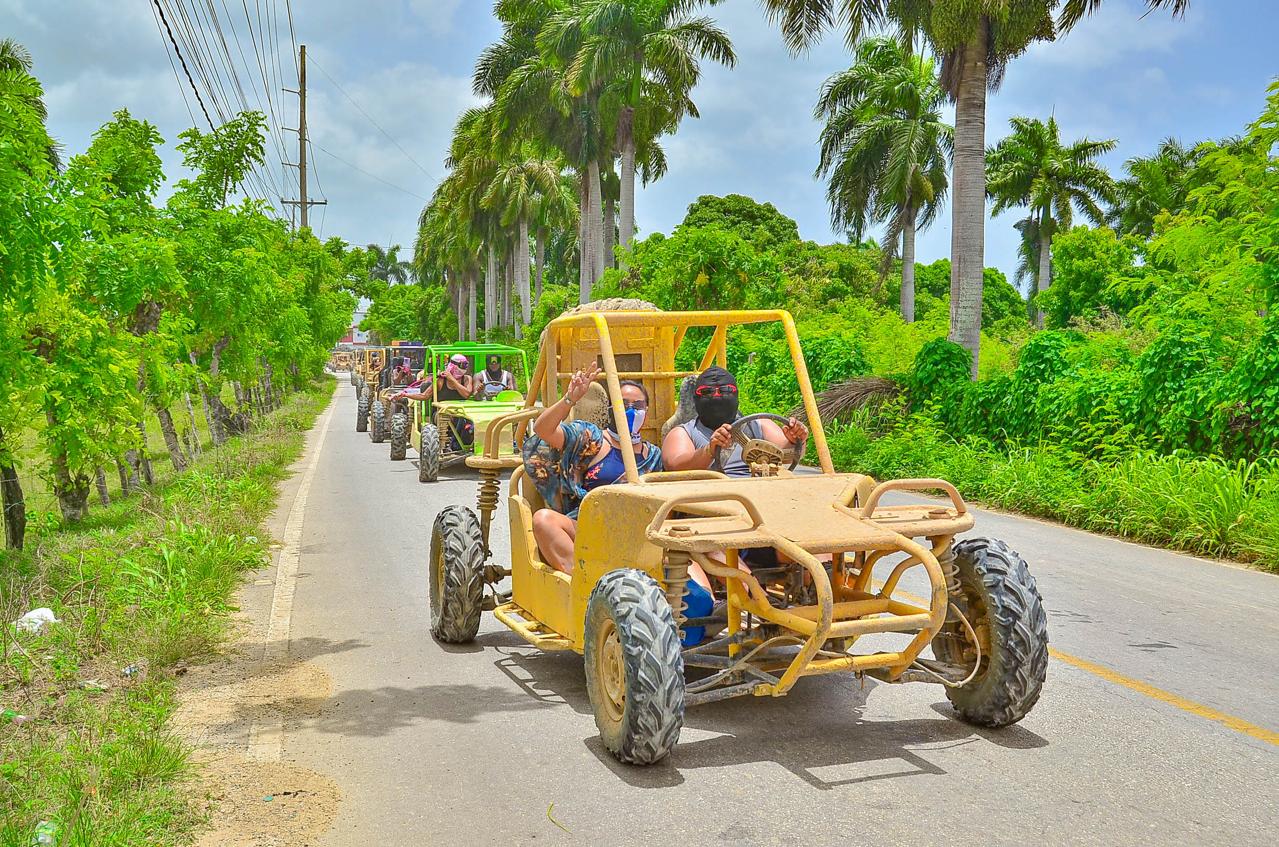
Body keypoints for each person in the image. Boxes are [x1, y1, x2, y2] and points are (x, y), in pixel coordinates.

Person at [524, 364, 662, 575]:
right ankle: (586, 583)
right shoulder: (590, 437)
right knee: (544, 520)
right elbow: (543, 429)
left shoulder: (653, 456)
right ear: (611, 409)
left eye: (638, 405)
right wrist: (570, 398)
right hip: (588, 529)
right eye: (623, 404)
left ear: (647, 411)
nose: (631, 410)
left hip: (638, 535)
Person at [661, 366, 808, 476]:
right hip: (710, 500)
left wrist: (796, 439)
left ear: (736, 396)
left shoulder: (760, 424)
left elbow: (790, 456)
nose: (717, 396)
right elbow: (675, 466)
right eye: (707, 392)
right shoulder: (683, 432)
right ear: (696, 399)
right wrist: (709, 450)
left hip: (762, 493)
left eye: (725, 390)